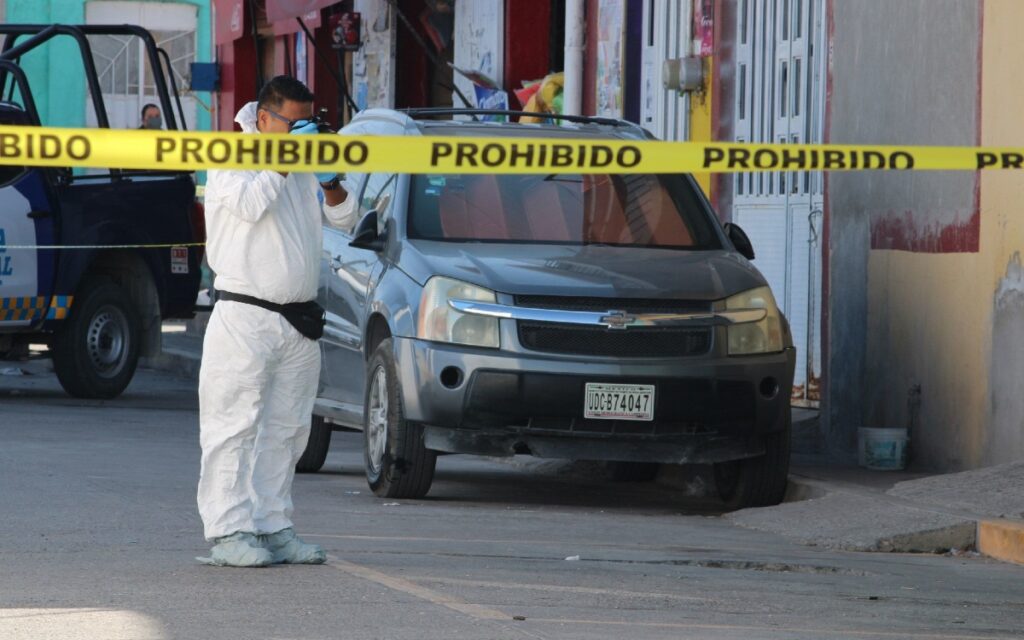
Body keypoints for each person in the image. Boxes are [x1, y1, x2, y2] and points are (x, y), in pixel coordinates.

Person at [196, 75, 358, 567]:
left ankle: (273, 526)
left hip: (298, 318)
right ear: (264, 119)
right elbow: (249, 204)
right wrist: (286, 161)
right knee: (232, 427)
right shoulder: (229, 154)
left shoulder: (300, 162)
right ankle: (228, 533)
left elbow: (346, 219)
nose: (301, 131)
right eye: (294, 122)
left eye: (309, 122)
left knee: (287, 431)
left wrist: (329, 180)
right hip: (244, 315)